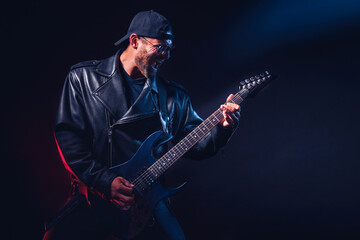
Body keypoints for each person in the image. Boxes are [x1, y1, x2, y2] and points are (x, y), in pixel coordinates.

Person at [43, 10, 240, 240]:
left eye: (169, 49)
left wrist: (223, 127)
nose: (166, 55)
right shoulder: (82, 79)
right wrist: (105, 182)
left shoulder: (174, 96)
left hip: (148, 199)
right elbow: (69, 139)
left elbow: (196, 143)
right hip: (94, 196)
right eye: (160, 47)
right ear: (135, 41)